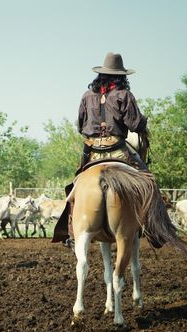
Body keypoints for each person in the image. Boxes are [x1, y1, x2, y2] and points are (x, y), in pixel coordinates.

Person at [53, 52, 151, 246]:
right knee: (149, 181)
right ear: (122, 76)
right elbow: (135, 125)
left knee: (74, 188)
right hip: (118, 150)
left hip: (92, 152)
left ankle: (71, 232)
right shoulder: (125, 95)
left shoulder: (87, 95)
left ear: (101, 75)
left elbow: (81, 126)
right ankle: (153, 229)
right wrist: (142, 122)